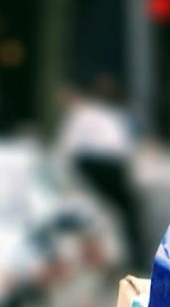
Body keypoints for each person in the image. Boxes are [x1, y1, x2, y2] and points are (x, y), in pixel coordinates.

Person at [56, 75, 144, 269]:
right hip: (104, 165)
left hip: (98, 165)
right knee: (123, 211)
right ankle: (132, 257)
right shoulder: (106, 114)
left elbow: (67, 149)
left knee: (119, 211)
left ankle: (129, 256)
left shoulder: (87, 113)